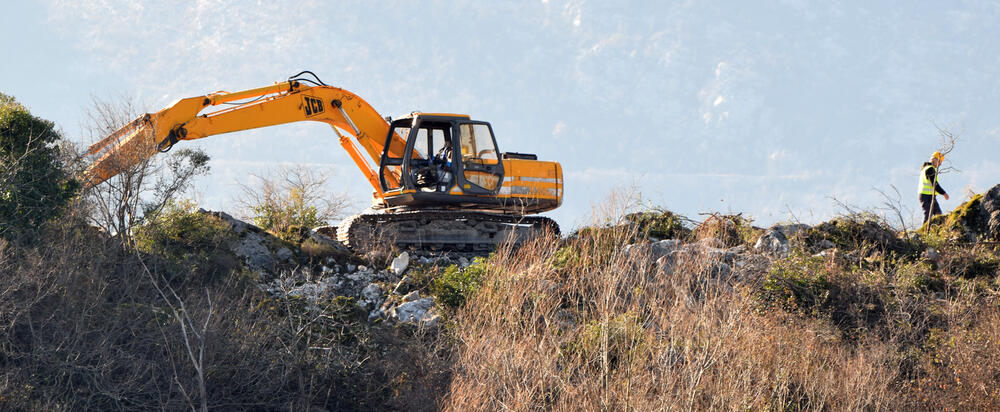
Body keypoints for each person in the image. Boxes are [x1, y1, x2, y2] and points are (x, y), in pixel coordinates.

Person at [919, 151, 949, 224]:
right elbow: (934, 184)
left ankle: (939, 230)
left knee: (938, 214)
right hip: (926, 196)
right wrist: (944, 193)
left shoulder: (926, 168)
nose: (940, 164)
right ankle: (924, 232)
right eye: (939, 161)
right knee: (928, 215)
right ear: (934, 159)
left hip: (929, 196)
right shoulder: (930, 169)